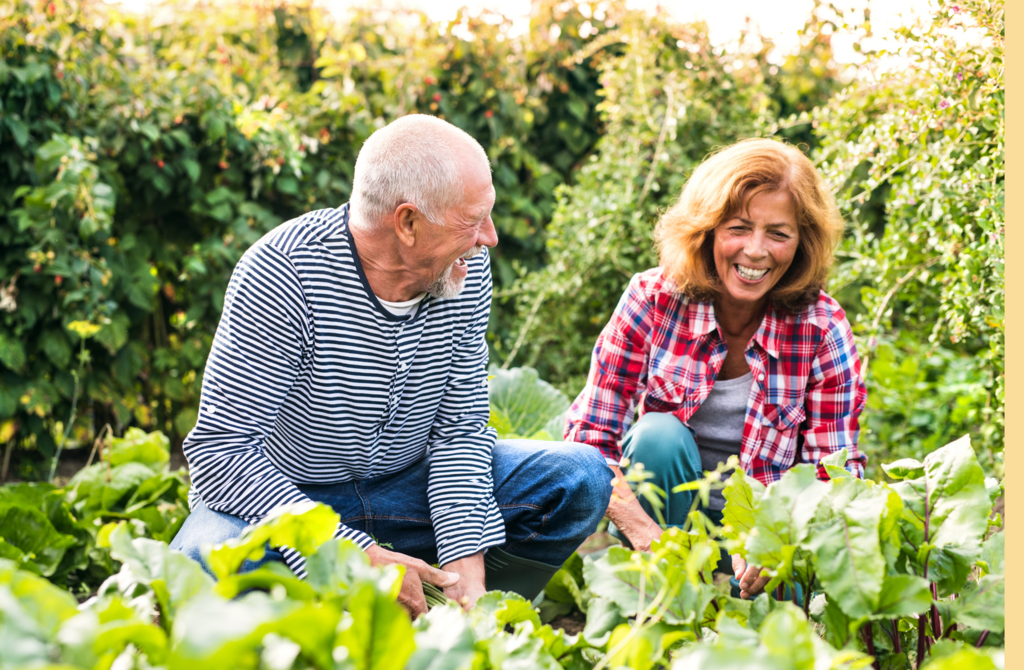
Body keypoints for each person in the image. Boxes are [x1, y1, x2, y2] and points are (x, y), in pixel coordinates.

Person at [170, 115, 612, 617]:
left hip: (408, 492)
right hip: (293, 500)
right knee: (201, 565)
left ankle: (447, 610)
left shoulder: (461, 269)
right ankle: (343, 605)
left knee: (581, 479)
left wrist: (468, 575)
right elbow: (221, 453)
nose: (489, 237)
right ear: (407, 223)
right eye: (474, 220)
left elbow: (459, 433)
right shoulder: (284, 272)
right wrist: (352, 551)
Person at [564, 138, 866, 600]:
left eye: (779, 234)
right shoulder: (653, 299)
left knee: (785, 632)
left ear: (802, 243)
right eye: (739, 228)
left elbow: (834, 473)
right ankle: (658, 602)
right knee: (658, 435)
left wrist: (774, 539)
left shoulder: (822, 328)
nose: (756, 251)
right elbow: (588, 441)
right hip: (665, 527)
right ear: (707, 228)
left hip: (766, 539)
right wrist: (646, 535)